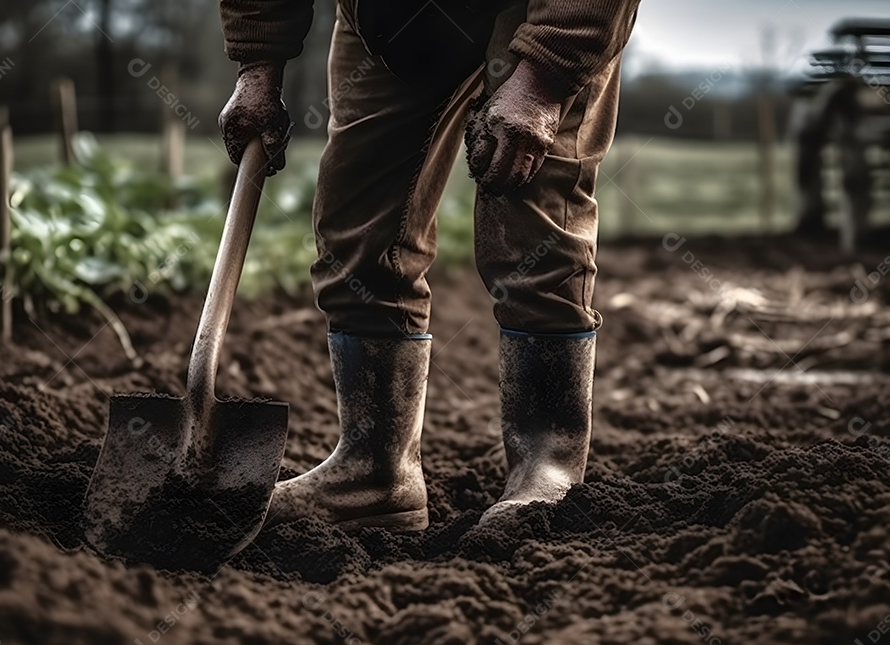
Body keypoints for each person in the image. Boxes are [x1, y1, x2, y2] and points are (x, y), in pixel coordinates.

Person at [218, 0, 641, 531]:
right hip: (387, 15)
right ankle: (375, 469)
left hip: (545, 10)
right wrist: (258, 61)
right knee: (358, 214)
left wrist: (546, 76)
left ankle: (548, 463)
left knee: (529, 211)